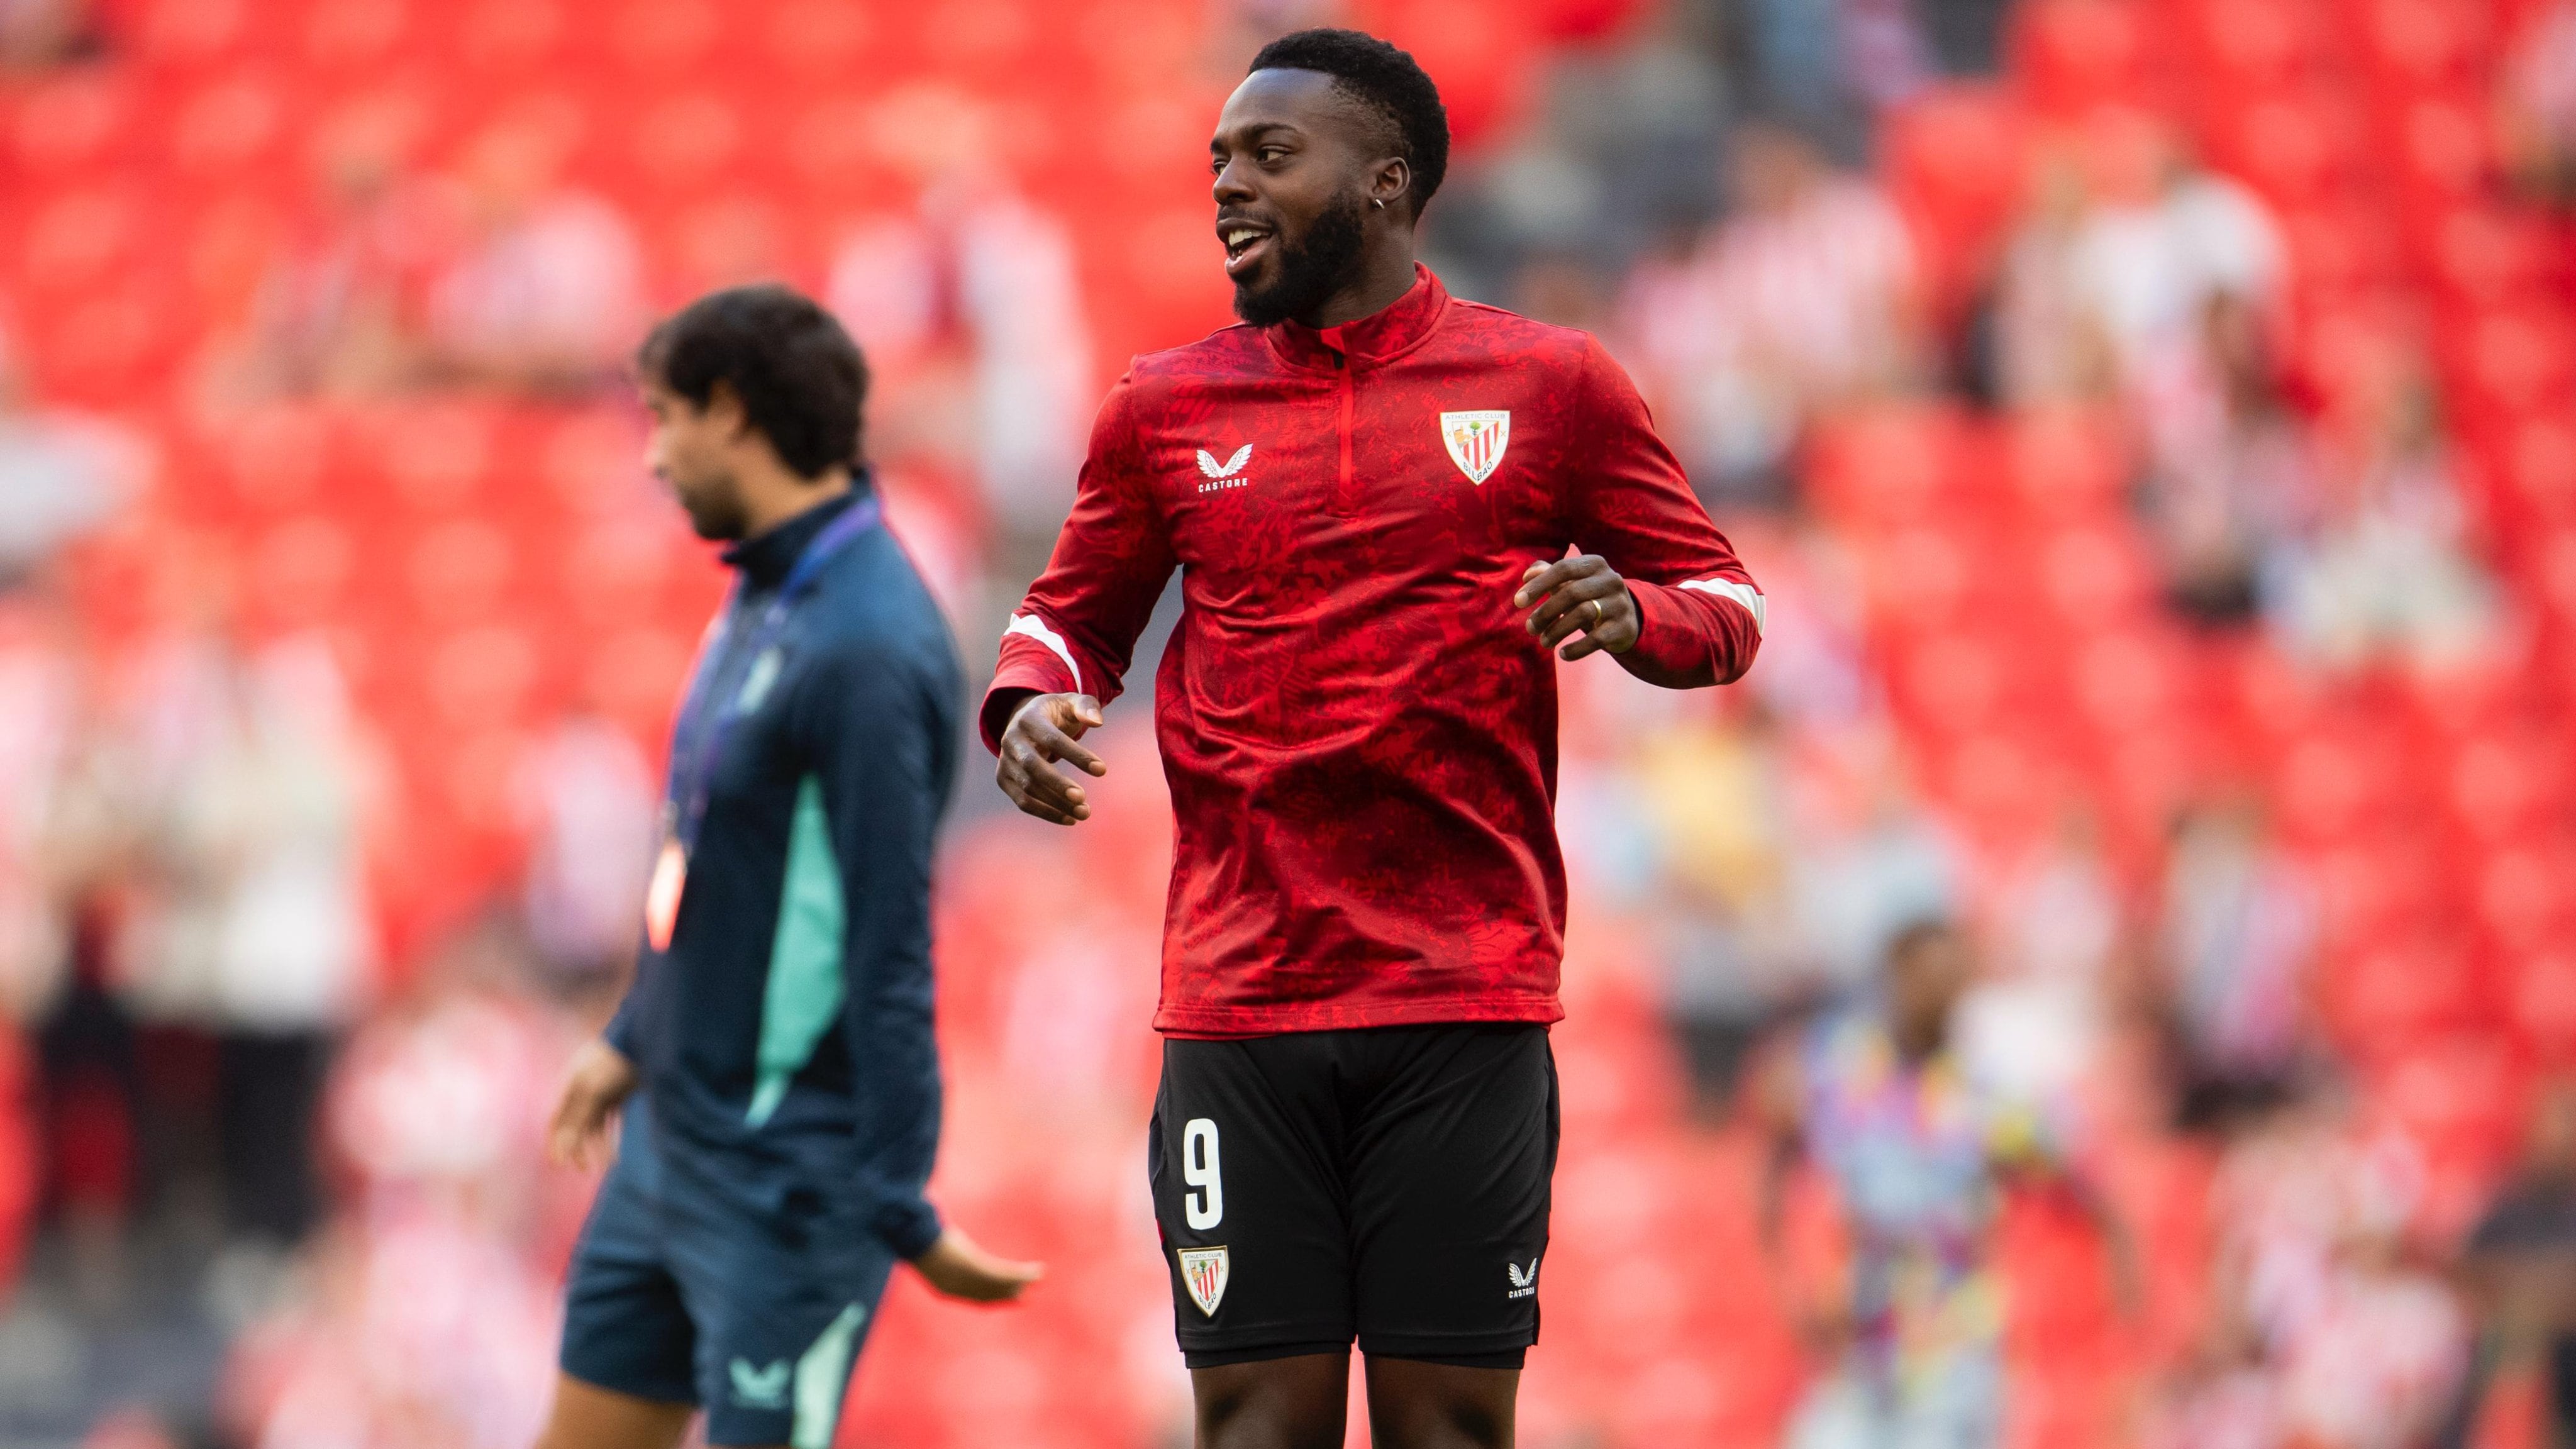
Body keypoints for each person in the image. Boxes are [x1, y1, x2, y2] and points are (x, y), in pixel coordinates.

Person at [985, 30, 1764, 1449]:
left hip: (1461, 996)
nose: (1227, 185)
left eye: (1268, 155)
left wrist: (1632, 610)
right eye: (1218, 159)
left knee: (1448, 1427)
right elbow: (1065, 620)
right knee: (1251, 1427)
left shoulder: (1551, 385)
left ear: (1386, 181)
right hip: (1241, 1000)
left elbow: (1727, 603)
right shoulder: (1165, 407)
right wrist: (1028, 701)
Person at [536, 286, 1039, 1449]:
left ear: (731, 411)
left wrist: (899, 1200)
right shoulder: (766, 590)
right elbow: (712, 861)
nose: (654, 456)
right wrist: (632, 1036)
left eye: (666, 419)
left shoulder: (869, 644)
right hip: (669, 1143)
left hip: (785, 1184)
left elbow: (891, 941)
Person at [1758, 921, 2135, 1449]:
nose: (1930, 993)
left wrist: (2122, 1277)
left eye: (1945, 978)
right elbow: (1778, 1157)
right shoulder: (1847, 1079)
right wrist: (1793, 1287)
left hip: (1954, 1353)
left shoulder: (1988, 1094)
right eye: (1919, 977)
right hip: (1859, 1351)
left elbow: (2090, 1181)